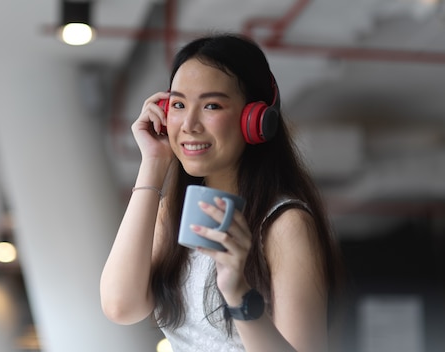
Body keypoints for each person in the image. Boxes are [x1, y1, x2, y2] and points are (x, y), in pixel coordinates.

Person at [100, 33, 344, 352]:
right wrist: (153, 162)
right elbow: (121, 306)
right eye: (178, 104)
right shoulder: (170, 212)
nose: (189, 123)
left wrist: (238, 293)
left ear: (255, 120)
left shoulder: (285, 224)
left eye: (211, 105)